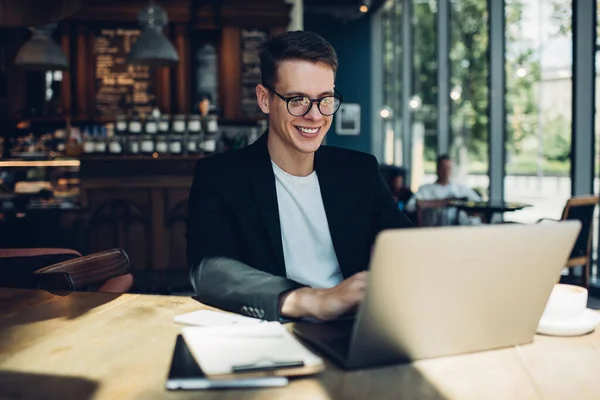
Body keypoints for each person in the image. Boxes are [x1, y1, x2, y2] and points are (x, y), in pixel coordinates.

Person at [186, 31, 412, 322]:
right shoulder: (220, 176)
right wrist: (311, 300)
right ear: (264, 99)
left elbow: (408, 245)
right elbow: (208, 270)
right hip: (272, 329)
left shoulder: (360, 172)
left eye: (325, 100)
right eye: (297, 100)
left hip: (353, 330)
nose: (315, 116)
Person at [405, 155, 481, 225]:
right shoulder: (425, 189)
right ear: (437, 169)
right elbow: (409, 207)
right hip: (430, 231)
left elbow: (479, 204)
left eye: (448, 168)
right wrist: (441, 202)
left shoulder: (461, 189)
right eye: (443, 168)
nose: (446, 172)